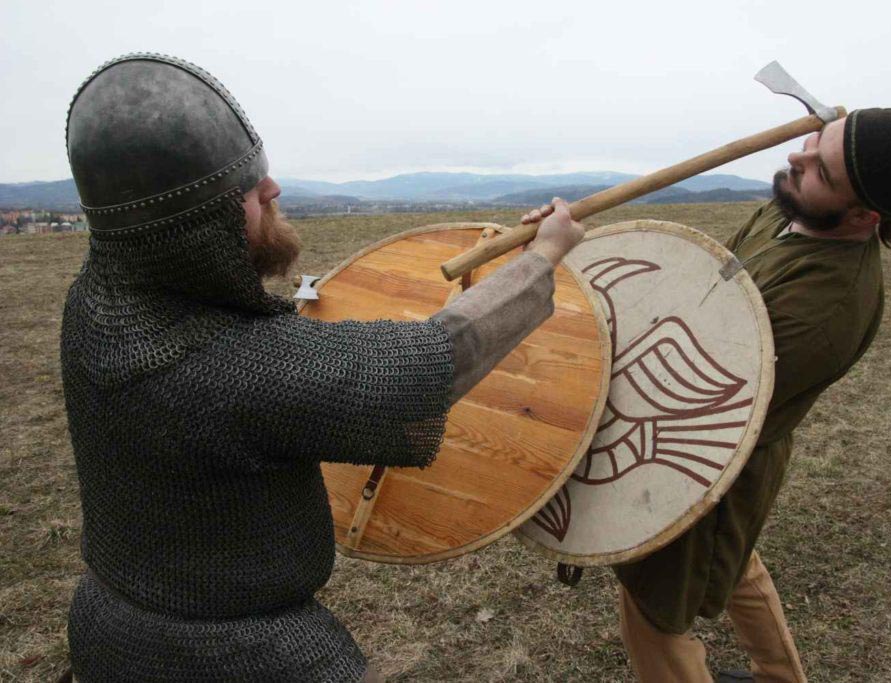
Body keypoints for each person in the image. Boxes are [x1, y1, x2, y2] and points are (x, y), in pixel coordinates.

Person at [60, 53, 583, 682]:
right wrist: (542, 259)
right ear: (193, 230)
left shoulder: (96, 307)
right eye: (247, 192)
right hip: (242, 658)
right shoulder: (232, 370)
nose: (273, 189)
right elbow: (425, 365)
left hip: (108, 628)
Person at [607, 108, 891, 682]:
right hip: (719, 456)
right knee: (736, 563)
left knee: (655, 609)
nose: (797, 158)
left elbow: (695, 409)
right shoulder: (792, 207)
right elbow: (714, 280)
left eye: (822, 169)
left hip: (710, 458)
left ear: (864, 214)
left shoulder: (822, 311)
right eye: (815, 142)